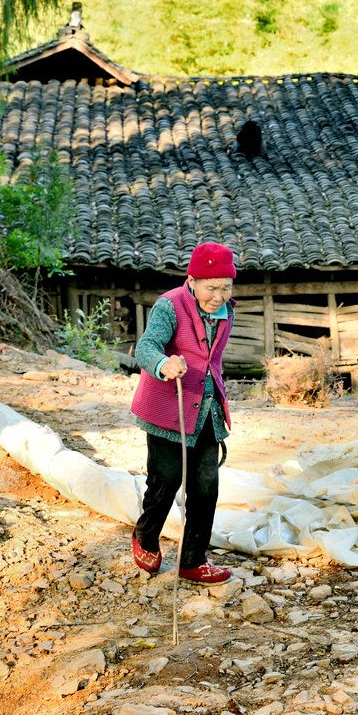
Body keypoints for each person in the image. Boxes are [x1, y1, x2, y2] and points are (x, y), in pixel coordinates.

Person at [129, 242, 237, 584]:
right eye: (211, 288)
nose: (219, 296)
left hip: (206, 409)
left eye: (225, 287)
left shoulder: (228, 311)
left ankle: (192, 560)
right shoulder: (170, 305)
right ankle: (146, 537)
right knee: (165, 480)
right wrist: (163, 363)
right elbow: (147, 346)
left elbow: (212, 360)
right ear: (192, 281)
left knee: (206, 487)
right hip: (169, 406)